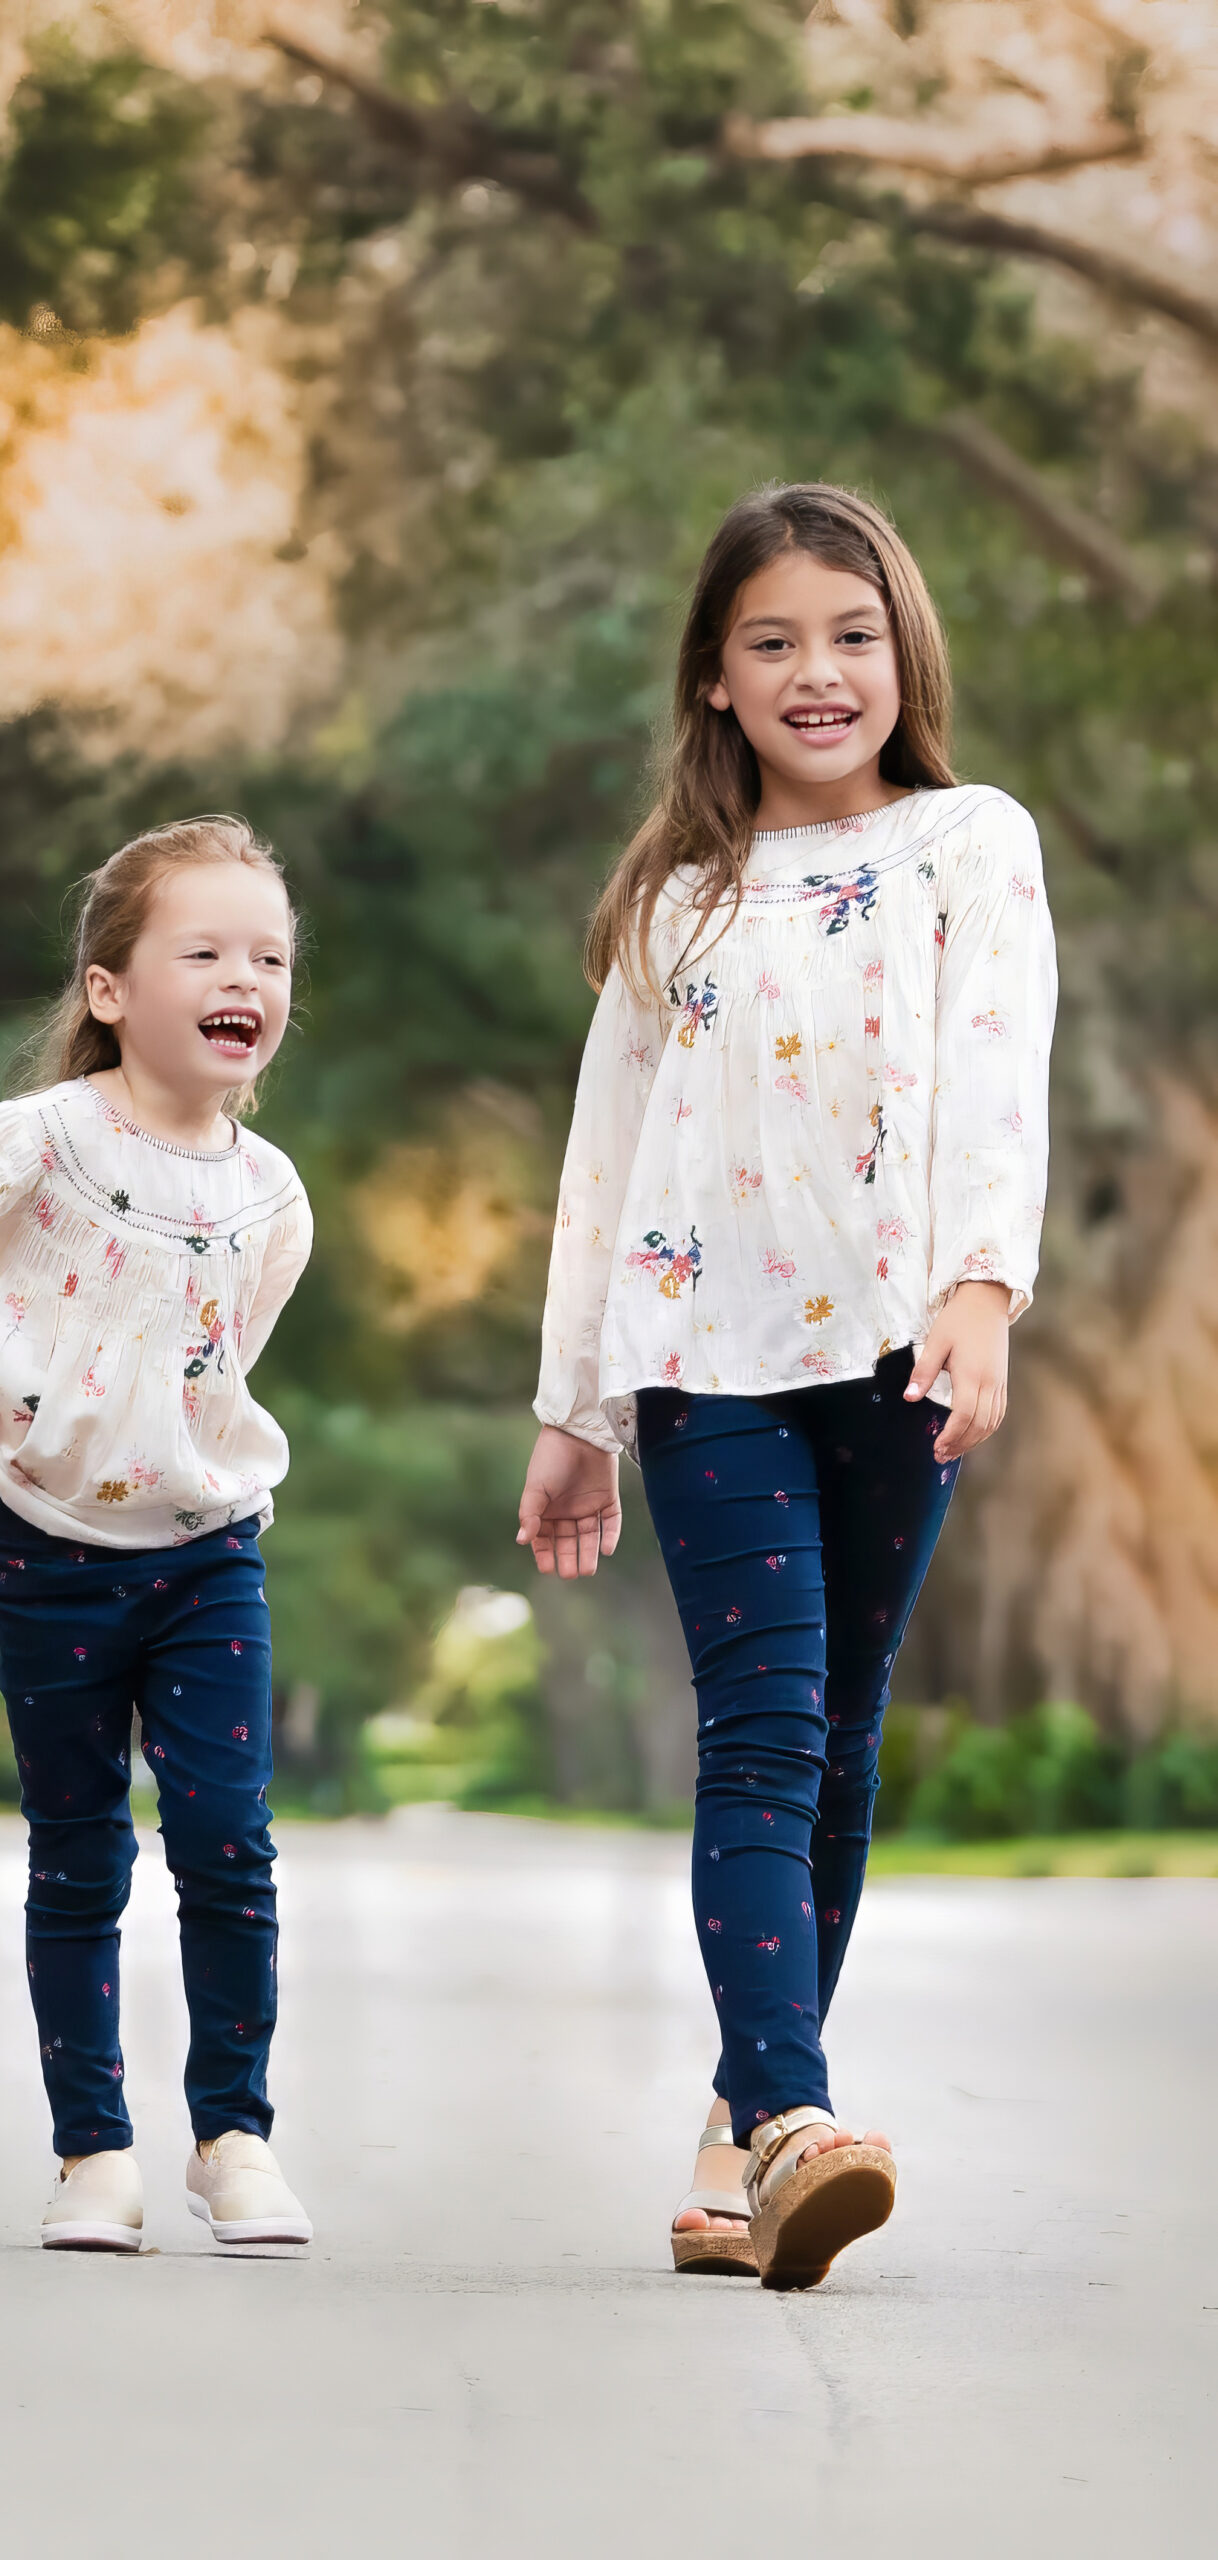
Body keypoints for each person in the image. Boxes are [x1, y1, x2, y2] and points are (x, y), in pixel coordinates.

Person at [518, 484, 1056, 2289]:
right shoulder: (677, 898)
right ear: (715, 682)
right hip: (701, 1356)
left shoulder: (969, 843)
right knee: (761, 1729)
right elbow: (605, 1156)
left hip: (898, 1348)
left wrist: (980, 1291)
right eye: (772, 643)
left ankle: (732, 2142)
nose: (817, 672)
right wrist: (571, 1409)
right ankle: (787, 2118)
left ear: (903, 652)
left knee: (837, 1737)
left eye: (849, 633)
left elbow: (995, 1075)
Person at [0, 815, 315, 2254]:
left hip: (209, 1549)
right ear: (108, 992)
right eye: (202, 949)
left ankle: (234, 2138)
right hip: (52, 1553)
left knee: (226, 1841)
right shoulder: (39, 1144)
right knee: (78, 1854)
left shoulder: (270, 1194)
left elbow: (218, 1365)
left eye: (269, 956)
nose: (244, 978)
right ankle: (93, 2155)